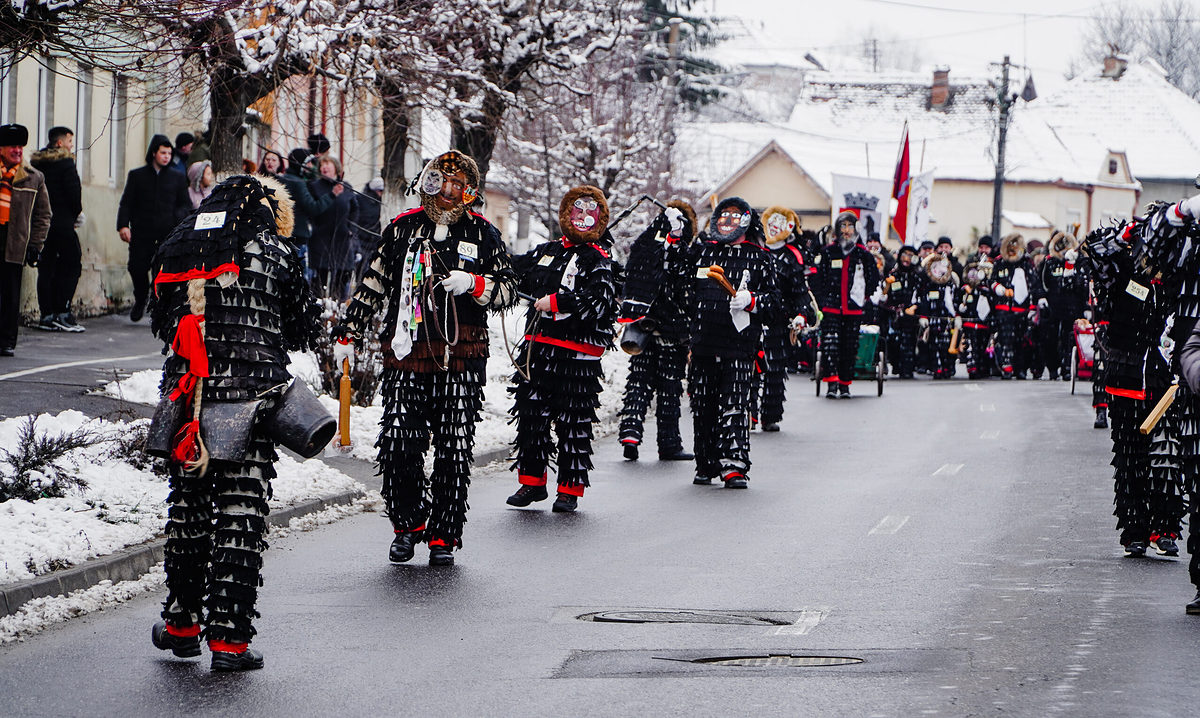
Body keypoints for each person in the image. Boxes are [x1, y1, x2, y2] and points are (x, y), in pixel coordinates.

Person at [148, 174, 323, 671]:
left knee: (188, 518)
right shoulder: (277, 252)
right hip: (252, 403)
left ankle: (181, 627)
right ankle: (229, 643)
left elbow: (161, 321)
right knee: (239, 522)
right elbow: (300, 329)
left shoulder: (177, 243)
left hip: (189, 407)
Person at [344, 150, 515, 564]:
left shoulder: (485, 234)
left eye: (458, 185)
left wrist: (474, 283)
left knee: (454, 449)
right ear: (429, 183)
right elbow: (374, 281)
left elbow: (509, 289)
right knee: (399, 443)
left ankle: (444, 535)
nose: (448, 192)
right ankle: (408, 525)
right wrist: (350, 328)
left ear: (469, 192)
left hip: (462, 354)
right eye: (441, 181)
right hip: (407, 352)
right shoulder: (402, 229)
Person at [506, 185, 618, 510]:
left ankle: (569, 490)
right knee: (532, 418)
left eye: (589, 213)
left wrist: (557, 301)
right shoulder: (547, 250)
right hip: (537, 351)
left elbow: (600, 301)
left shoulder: (598, 259)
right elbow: (515, 271)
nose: (582, 217)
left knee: (573, 424)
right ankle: (532, 483)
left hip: (576, 360)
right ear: (566, 214)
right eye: (577, 211)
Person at [1082, 217, 1185, 561]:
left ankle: (1166, 529)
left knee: (1168, 457)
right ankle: (1135, 531)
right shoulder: (1121, 269)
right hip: (1126, 378)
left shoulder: (1178, 274)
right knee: (1130, 460)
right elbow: (1094, 254)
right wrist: (1125, 234)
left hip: (1167, 380)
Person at [683, 196, 780, 487]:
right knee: (702, 406)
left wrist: (752, 300)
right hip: (702, 344)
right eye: (723, 217)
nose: (727, 222)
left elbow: (775, 305)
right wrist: (672, 236)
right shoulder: (701, 254)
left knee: (735, 405)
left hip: (739, 345)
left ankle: (734, 464)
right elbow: (680, 286)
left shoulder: (762, 258)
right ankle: (706, 463)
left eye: (734, 217)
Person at [616, 200, 696, 459]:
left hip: (640, 325)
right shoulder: (679, 247)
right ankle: (669, 443)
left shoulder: (644, 241)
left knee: (638, 381)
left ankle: (630, 432)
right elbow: (684, 282)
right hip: (671, 326)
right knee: (669, 386)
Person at [116, 134, 191, 322]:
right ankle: (140, 298)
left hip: (167, 233)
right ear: (154, 153)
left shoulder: (177, 177)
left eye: (169, 153)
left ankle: (158, 305)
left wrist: (177, 219)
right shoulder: (137, 176)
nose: (166, 156)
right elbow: (126, 203)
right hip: (141, 231)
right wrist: (123, 225)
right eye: (163, 152)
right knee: (136, 267)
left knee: (162, 272)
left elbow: (185, 204)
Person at [757, 205, 814, 431]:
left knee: (775, 368)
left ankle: (769, 415)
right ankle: (748, 412)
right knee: (748, 367)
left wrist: (801, 314)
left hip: (780, 319)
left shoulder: (792, 257)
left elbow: (800, 290)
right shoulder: (756, 250)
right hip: (753, 315)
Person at [811, 211, 880, 398]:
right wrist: (822, 300)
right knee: (830, 344)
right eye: (843, 226)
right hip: (831, 307)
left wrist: (864, 297)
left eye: (850, 226)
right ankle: (832, 384)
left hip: (853, 309)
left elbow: (873, 278)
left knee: (849, 347)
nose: (847, 230)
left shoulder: (863, 254)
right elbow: (818, 279)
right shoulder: (828, 252)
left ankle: (845, 384)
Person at [0, 124, 51, 357]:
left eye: (20, 146)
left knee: (10, 294)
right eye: (12, 146)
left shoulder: (33, 178)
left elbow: (43, 215)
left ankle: (7, 341)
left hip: (15, 242)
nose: (18, 150)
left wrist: (35, 246)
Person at [30, 126, 85, 332]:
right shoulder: (66, 164)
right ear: (60, 143)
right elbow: (73, 193)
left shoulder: (37, 164)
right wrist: (77, 214)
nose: (72, 145)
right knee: (72, 264)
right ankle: (63, 312)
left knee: (46, 268)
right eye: (70, 141)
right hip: (63, 223)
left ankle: (47, 315)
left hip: (42, 225)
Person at [307, 154, 357, 301]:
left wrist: (351, 229)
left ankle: (337, 309)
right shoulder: (314, 186)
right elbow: (312, 209)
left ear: (336, 168)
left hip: (342, 238)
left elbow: (355, 209)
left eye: (328, 164)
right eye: (322, 164)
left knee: (342, 276)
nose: (324, 167)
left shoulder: (346, 187)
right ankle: (318, 308)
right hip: (321, 237)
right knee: (320, 279)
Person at [1035, 231, 1084, 380]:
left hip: (1072, 308)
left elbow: (1083, 285)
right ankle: (1053, 368)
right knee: (1050, 338)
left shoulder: (1078, 262)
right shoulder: (1049, 262)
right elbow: (1040, 282)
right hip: (1053, 308)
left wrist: (1085, 307)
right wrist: (1041, 297)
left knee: (1069, 339)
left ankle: (1067, 368)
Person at [278, 148, 337, 270]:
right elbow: (313, 208)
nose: (310, 166)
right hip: (298, 236)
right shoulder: (298, 183)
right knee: (299, 273)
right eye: (308, 163)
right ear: (300, 164)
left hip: (283, 233)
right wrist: (332, 195)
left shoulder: (282, 179)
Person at [989, 233, 1034, 379]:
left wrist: (1035, 304)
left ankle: (1020, 369)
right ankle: (1006, 367)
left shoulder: (1026, 264)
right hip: (1003, 307)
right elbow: (991, 281)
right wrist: (999, 289)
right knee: (1005, 337)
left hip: (1021, 308)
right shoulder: (999, 263)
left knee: (1021, 339)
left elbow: (1034, 284)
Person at [910, 252, 959, 379]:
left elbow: (954, 302)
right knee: (933, 345)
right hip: (933, 320)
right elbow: (925, 302)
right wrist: (924, 317)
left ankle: (947, 367)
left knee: (946, 345)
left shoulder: (950, 285)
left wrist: (957, 315)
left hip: (947, 320)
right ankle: (936, 368)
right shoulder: (928, 285)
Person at [883, 245, 921, 378]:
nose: (907, 258)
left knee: (909, 341)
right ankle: (896, 365)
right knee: (893, 340)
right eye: (905, 254)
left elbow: (920, 294)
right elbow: (884, 295)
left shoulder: (917, 275)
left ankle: (908, 369)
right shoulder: (893, 273)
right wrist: (887, 285)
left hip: (911, 314)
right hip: (894, 313)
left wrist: (915, 307)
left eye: (911, 256)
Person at [956, 259, 993, 379]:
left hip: (983, 323)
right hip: (969, 323)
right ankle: (972, 368)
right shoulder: (965, 290)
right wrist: (960, 311)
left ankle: (982, 368)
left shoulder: (986, 289)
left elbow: (991, 305)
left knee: (982, 346)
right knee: (971, 346)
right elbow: (958, 302)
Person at [353, 177, 384, 281]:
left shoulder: (381, 203)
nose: (382, 193)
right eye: (380, 191)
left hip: (375, 242)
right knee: (361, 272)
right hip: (362, 241)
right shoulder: (361, 200)